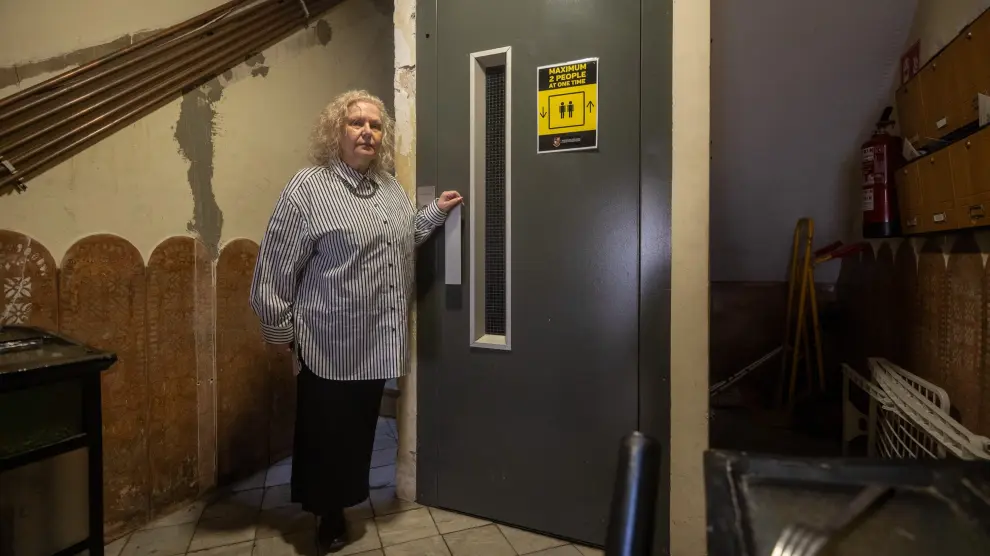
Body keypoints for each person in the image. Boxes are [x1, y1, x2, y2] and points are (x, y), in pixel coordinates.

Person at [250, 90, 462, 553]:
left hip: (375, 339)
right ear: (336, 131)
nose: (367, 132)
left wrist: (436, 213)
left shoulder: (389, 188)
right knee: (325, 432)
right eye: (356, 123)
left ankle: (343, 500)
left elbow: (403, 236)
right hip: (326, 340)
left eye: (375, 125)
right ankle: (325, 514)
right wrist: (282, 332)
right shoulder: (308, 188)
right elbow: (273, 270)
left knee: (357, 430)